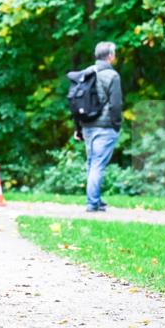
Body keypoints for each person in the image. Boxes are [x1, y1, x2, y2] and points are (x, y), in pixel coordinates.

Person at [69, 41, 123, 212]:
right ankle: (92, 203)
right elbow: (115, 105)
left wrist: (78, 128)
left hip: (87, 126)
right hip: (105, 127)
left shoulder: (86, 73)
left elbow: (76, 103)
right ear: (110, 56)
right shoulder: (112, 76)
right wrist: (116, 125)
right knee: (98, 164)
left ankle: (96, 199)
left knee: (92, 163)